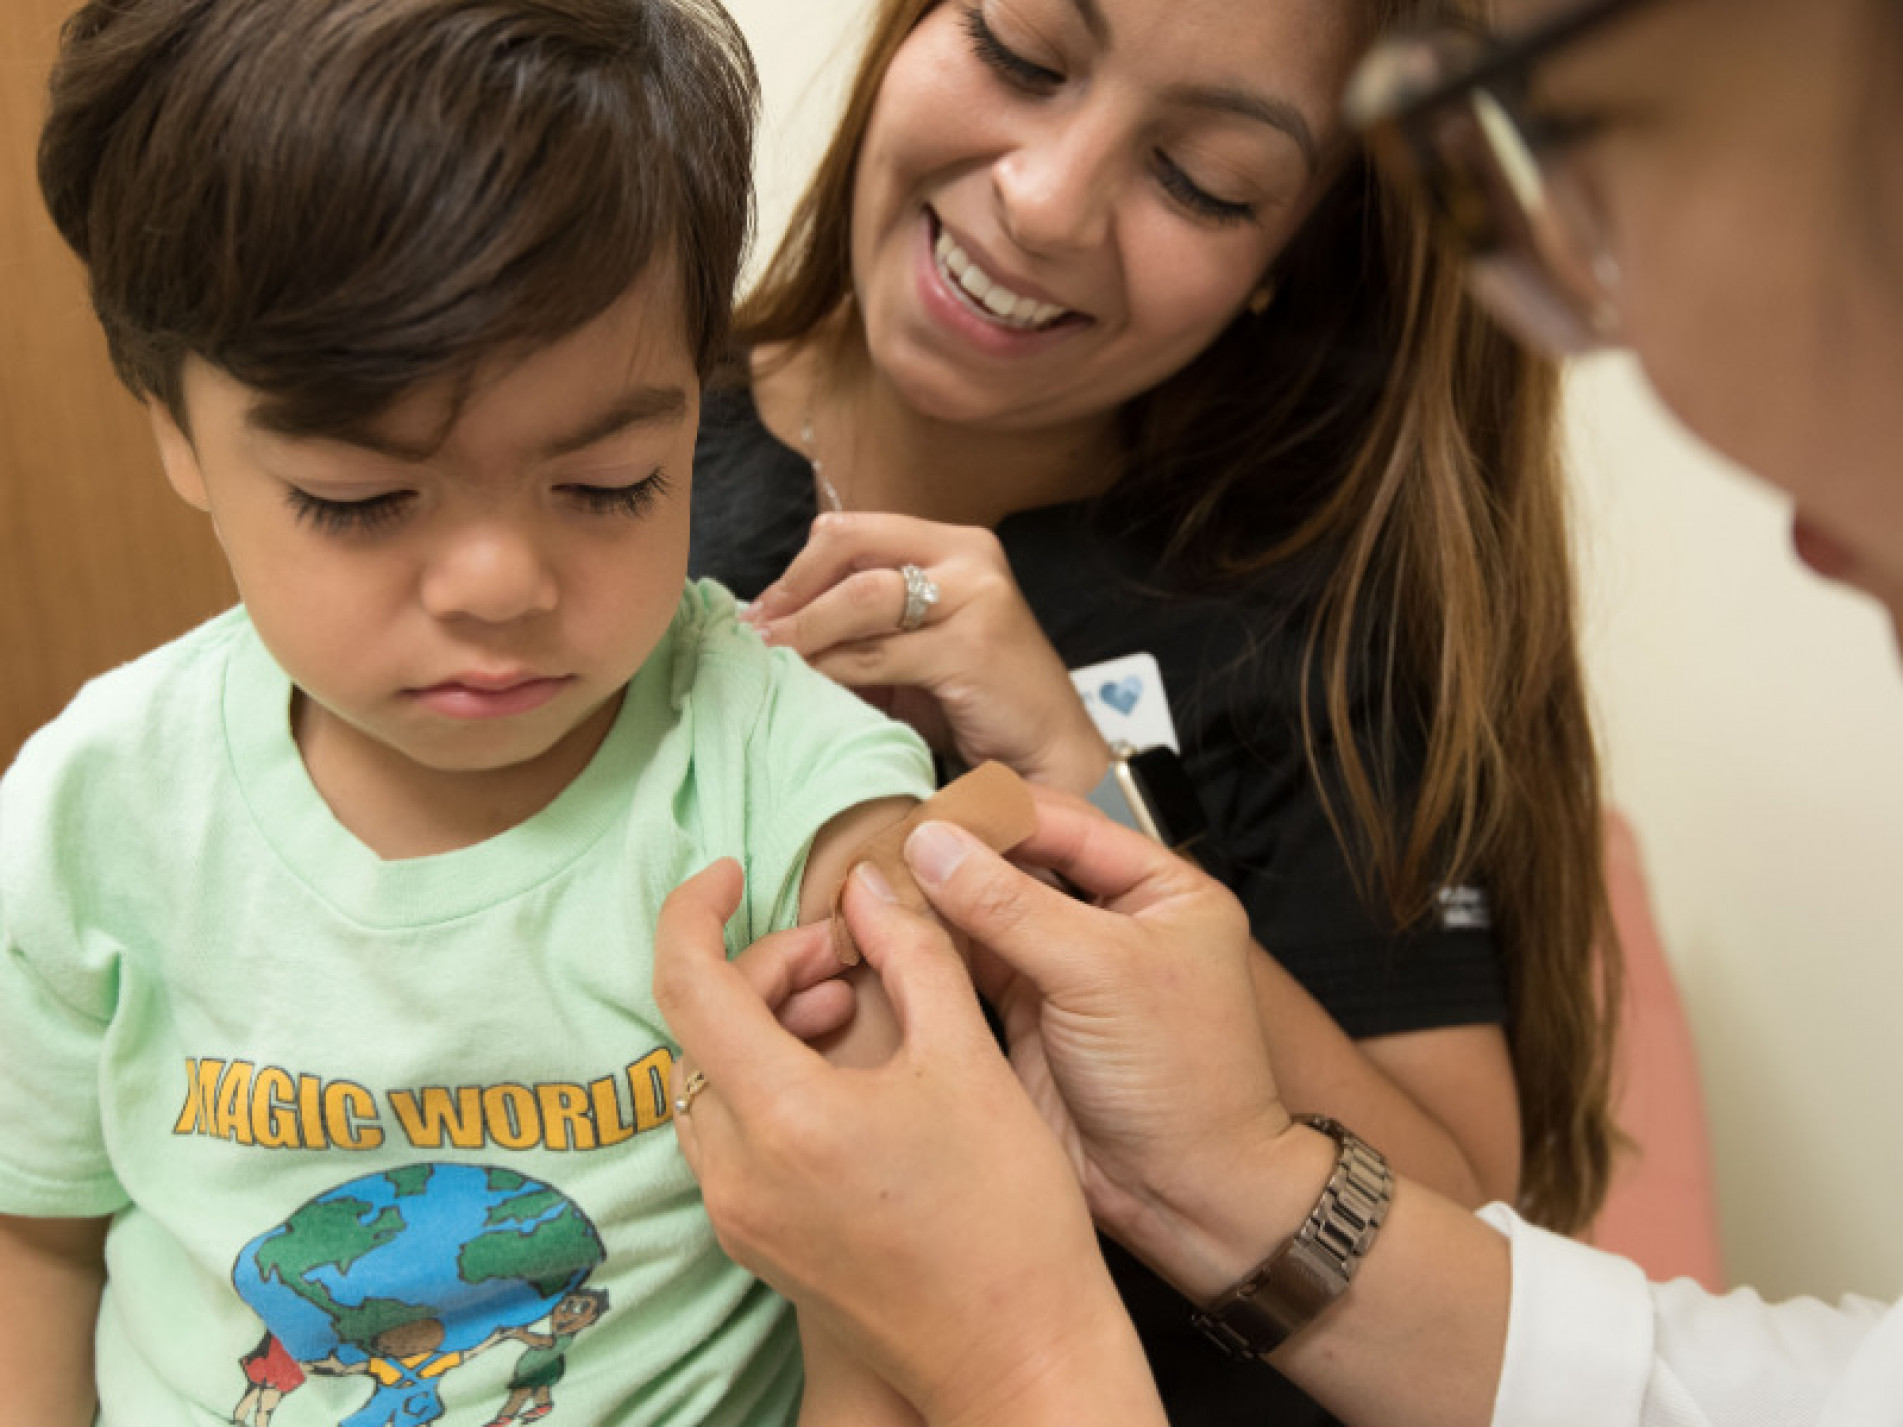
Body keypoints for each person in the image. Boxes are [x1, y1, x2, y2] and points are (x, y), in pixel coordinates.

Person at [654, 0, 1903, 1420]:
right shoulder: (606, 456)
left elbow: (1470, 1235)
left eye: (1205, 183)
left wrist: (1089, 780)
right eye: (1017, 51)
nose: (1044, 202)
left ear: (1293, 255)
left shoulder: (1319, 628)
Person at [0, 2, 937, 1423]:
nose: (501, 586)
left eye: (611, 480)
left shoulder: (788, 788)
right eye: (362, 500)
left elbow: (894, 1293)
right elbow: (38, 1237)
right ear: (177, 433)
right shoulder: (93, 810)